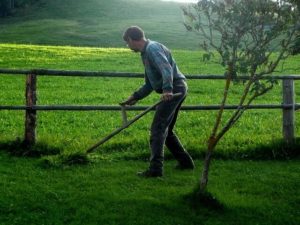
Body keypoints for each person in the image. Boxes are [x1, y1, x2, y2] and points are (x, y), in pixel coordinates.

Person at [121, 26, 194, 177]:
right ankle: (186, 163)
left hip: (175, 89)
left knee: (158, 128)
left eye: (127, 43)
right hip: (177, 88)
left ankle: (155, 169)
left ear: (131, 39)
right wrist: (135, 97)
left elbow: (166, 68)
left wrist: (167, 90)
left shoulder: (152, 48)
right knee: (166, 130)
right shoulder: (145, 53)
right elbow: (150, 83)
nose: (128, 47)